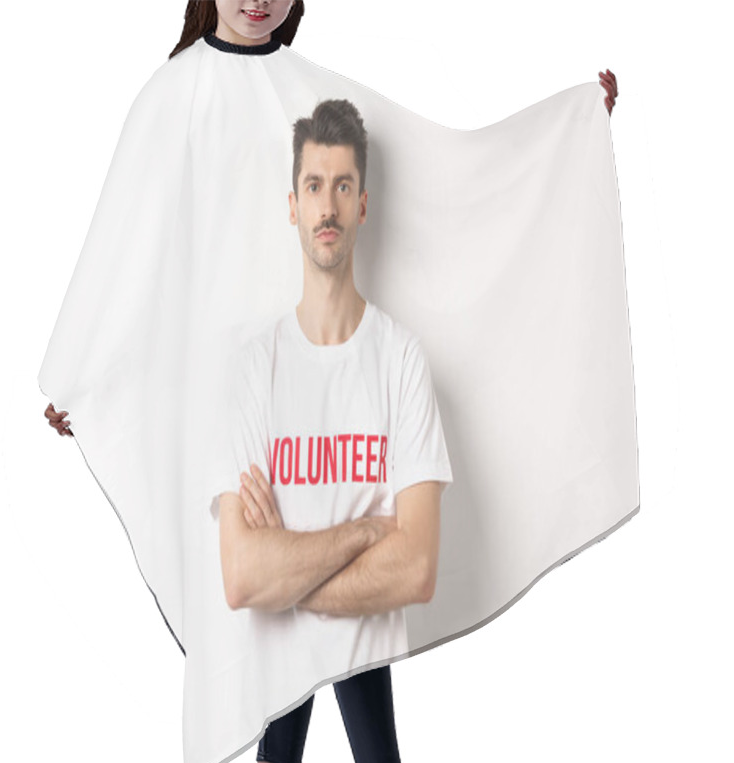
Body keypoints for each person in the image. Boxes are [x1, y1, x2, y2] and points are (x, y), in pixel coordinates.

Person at [43, 0, 618, 438]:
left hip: (305, 370)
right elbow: (129, 236)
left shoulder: (313, 89)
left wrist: (566, 133)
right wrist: (75, 370)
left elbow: (433, 172)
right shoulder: (175, 91)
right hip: (210, 369)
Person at [212, 97, 453, 763]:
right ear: (292, 204)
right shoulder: (257, 367)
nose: (328, 205)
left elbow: (415, 572)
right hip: (289, 683)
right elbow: (241, 579)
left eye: (342, 186)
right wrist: (363, 533)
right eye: (314, 186)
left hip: (332, 677)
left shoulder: (401, 360)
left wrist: (289, 567)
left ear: (363, 204)